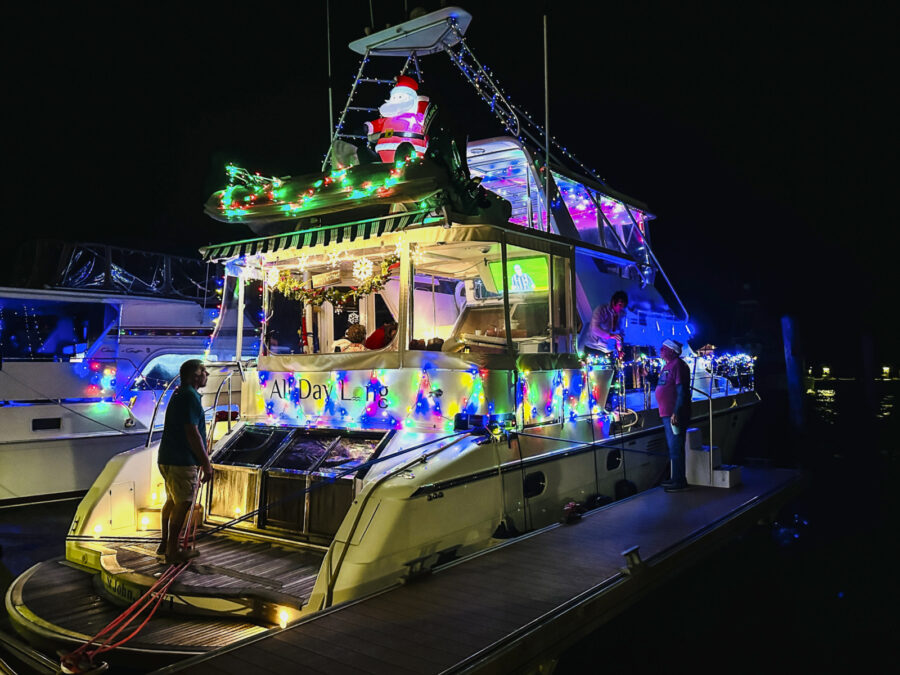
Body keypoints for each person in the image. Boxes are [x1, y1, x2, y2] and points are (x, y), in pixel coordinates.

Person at [157, 359, 212, 563]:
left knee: (172, 500)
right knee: (183, 503)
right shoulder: (190, 396)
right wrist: (206, 463)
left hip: (167, 457)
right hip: (182, 459)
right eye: (204, 371)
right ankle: (173, 550)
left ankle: (165, 543)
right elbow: (192, 432)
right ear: (195, 375)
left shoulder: (179, 393)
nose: (207, 374)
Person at [655, 339, 692, 492]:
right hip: (667, 413)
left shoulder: (678, 365)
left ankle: (679, 481)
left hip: (673, 414)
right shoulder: (667, 366)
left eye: (664, 348)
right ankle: (675, 478)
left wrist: (676, 411)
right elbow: (664, 385)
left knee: (676, 447)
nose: (661, 350)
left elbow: (681, 390)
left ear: (672, 351)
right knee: (673, 447)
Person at [585, 291, 628, 359]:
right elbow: (595, 328)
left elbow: (620, 335)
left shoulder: (622, 315)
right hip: (593, 348)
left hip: (609, 352)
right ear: (613, 302)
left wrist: (619, 349)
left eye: (623, 306)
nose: (621, 308)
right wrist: (610, 336)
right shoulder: (601, 310)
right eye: (620, 305)